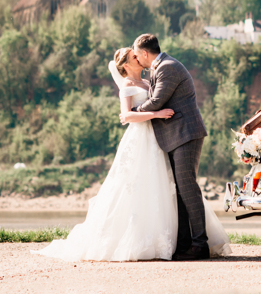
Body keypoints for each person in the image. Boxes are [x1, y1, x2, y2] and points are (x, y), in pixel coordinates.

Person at [33, 47, 179, 261]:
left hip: (156, 137)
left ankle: (162, 237)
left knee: (157, 182)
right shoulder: (127, 85)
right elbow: (126, 116)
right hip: (139, 137)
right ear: (126, 65)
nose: (138, 57)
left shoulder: (148, 82)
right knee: (131, 183)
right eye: (134, 57)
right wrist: (156, 114)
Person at [131, 33, 231, 261]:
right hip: (177, 135)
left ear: (145, 53)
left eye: (137, 55)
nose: (136, 59)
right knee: (180, 190)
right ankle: (186, 244)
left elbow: (157, 101)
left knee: (188, 188)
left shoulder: (168, 67)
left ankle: (200, 244)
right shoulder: (161, 67)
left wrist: (134, 112)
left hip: (186, 134)